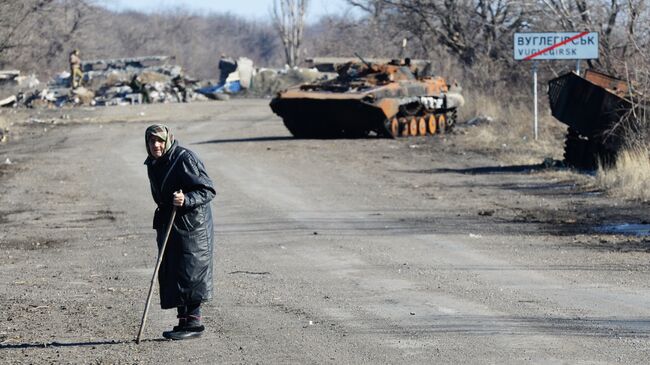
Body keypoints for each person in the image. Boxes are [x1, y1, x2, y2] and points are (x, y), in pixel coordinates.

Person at [144, 124, 216, 340]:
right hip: (172, 223)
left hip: (193, 226)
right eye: (151, 141)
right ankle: (183, 321)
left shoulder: (184, 158)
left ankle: (194, 323)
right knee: (176, 270)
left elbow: (207, 189)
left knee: (190, 270)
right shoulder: (154, 162)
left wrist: (186, 199)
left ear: (168, 140)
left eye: (160, 141)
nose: (156, 145)